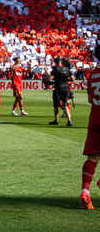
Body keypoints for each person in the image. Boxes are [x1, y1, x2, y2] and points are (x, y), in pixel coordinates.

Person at [78, 42, 100, 209]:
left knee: (93, 157)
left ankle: (85, 191)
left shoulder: (92, 75)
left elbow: (90, 100)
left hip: (95, 116)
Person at [49, 57, 74, 127]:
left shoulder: (55, 69)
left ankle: (56, 120)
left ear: (56, 62)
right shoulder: (67, 69)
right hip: (66, 88)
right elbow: (73, 78)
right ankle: (69, 120)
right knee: (65, 104)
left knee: (56, 105)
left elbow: (50, 78)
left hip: (58, 88)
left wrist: (49, 81)